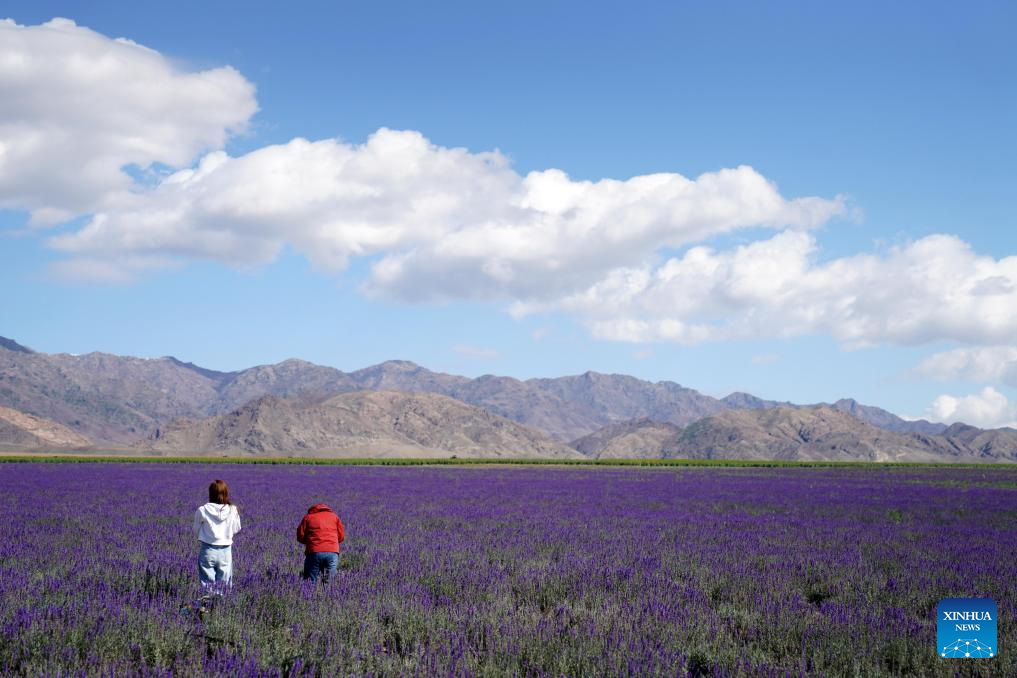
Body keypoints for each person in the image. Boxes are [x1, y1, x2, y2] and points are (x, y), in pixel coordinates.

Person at [193, 479, 241, 588]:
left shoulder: (202, 510)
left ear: (210, 494)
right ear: (225, 493)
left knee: (207, 586)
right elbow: (237, 529)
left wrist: (207, 534)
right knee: (224, 587)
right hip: (225, 551)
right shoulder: (232, 510)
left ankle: (209, 605)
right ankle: (221, 605)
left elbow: (196, 529)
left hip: (207, 550)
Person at [296, 502, 346, 582]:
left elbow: (300, 536)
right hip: (332, 552)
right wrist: (333, 543)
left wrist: (310, 542)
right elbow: (341, 536)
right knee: (329, 581)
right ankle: (328, 593)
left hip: (314, 551)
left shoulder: (308, 517)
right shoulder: (334, 517)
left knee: (310, 580)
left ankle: (311, 593)